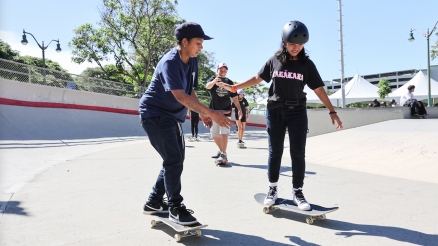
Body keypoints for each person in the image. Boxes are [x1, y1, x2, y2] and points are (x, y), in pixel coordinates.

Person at [217, 20, 343, 210]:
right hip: (275, 111)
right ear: (284, 42)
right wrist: (236, 87)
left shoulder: (307, 64)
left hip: (298, 112)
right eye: (292, 44)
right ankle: (273, 189)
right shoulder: (274, 61)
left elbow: (318, 88)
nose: (296, 48)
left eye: (300, 45)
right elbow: (257, 78)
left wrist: (332, 111)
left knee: (298, 153)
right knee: (275, 151)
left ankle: (297, 192)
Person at [139, 22, 233, 225]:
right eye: (198, 43)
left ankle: (154, 202)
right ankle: (175, 207)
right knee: (173, 160)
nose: (201, 47)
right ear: (185, 42)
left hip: (171, 117)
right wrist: (211, 113)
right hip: (154, 115)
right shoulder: (170, 62)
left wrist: (203, 114)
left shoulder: (191, 60)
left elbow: (189, 90)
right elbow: (180, 96)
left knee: (175, 159)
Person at [206, 62, 243, 165]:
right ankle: (222, 151)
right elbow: (208, 87)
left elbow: (235, 97)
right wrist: (214, 81)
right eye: (221, 70)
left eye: (224, 71)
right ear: (217, 70)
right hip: (214, 112)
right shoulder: (212, 79)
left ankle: (223, 154)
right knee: (214, 134)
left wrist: (239, 109)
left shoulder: (229, 82)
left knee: (224, 133)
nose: (222, 72)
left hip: (226, 111)